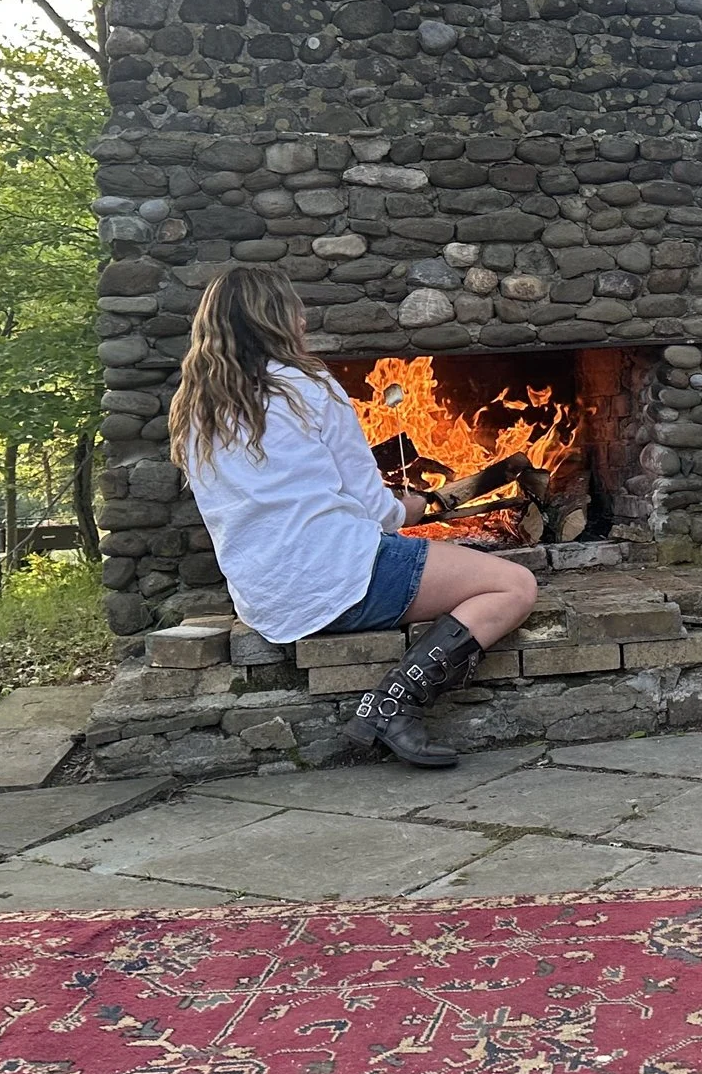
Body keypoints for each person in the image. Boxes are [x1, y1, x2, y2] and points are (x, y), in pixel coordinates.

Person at [168, 266, 537, 769]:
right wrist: (414, 506)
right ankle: (391, 705)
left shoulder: (193, 409)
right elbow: (374, 509)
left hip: (265, 598)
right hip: (342, 576)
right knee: (513, 585)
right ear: (273, 318)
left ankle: (388, 705)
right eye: (293, 307)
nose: (303, 317)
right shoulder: (306, 386)